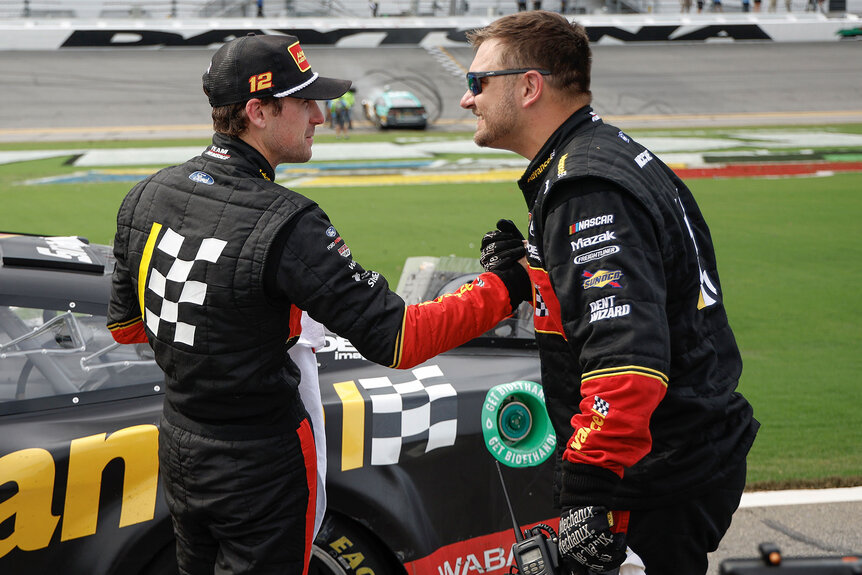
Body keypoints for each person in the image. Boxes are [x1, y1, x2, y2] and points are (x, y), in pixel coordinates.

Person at [107, 33, 530, 575]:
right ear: (258, 111)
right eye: (304, 101)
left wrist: (228, 330)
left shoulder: (146, 193)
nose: (320, 116)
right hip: (262, 459)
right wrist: (506, 286)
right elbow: (400, 339)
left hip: (181, 444)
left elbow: (127, 328)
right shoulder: (289, 221)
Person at [464, 11, 758, 575]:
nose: (467, 99)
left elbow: (627, 354)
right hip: (677, 453)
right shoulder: (597, 154)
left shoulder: (585, 185)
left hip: (650, 473)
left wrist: (589, 490)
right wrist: (534, 271)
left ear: (529, 87)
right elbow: (626, 294)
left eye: (478, 83)